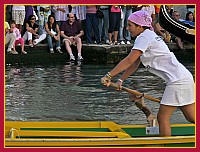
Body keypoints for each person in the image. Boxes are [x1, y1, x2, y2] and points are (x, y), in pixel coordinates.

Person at [101, 10, 195, 137]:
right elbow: (134, 63)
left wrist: (109, 75)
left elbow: (129, 59)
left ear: (140, 26)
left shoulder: (144, 37)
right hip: (184, 78)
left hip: (177, 81)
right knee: (191, 117)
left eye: (130, 25)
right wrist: (121, 80)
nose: (127, 28)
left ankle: (165, 146)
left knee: (162, 118)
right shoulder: (148, 35)